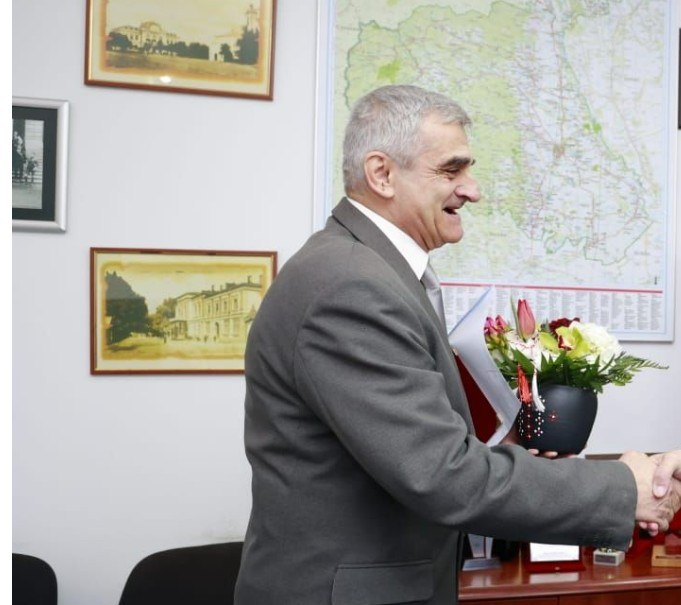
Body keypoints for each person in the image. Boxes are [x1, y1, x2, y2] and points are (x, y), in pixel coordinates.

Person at [234, 85, 680, 605]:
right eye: (451, 170)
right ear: (382, 174)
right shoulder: (349, 286)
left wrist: (506, 448)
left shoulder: (372, 270)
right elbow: (441, 475)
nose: (472, 190)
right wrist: (624, 488)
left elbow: (415, 449)